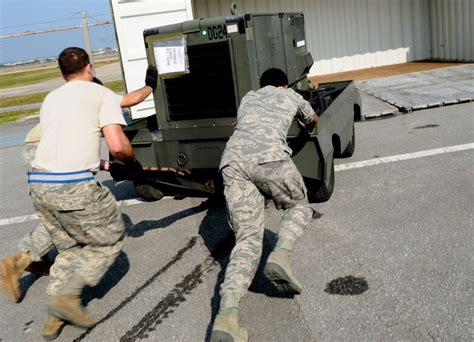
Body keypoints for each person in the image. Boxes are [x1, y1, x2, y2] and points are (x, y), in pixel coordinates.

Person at [0, 46, 142, 340]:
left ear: (62, 73)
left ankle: (55, 316)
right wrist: (130, 163)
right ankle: (66, 297)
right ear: (89, 68)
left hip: (39, 183)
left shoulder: (51, 98)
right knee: (110, 236)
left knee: (69, 247)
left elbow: (69, 144)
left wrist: (100, 164)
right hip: (72, 185)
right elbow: (117, 145)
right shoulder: (100, 94)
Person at [211, 68, 319, 341]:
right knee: (299, 206)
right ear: (284, 85)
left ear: (261, 85)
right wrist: (307, 123)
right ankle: (281, 254)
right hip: (270, 156)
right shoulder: (291, 96)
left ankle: (227, 317)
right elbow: (313, 120)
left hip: (232, 163)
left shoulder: (248, 98)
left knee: (247, 239)